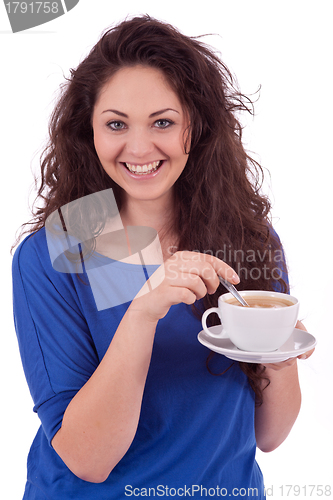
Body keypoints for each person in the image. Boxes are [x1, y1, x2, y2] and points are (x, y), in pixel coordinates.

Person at [12, 15, 314, 500]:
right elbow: (88, 459)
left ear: (195, 126)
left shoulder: (245, 238)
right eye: (116, 124)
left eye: (163, 122)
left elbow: (270, 435)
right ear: (87, 129)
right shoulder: (65, 247)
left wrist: (279, 357)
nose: (139, 147)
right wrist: (143, 312)